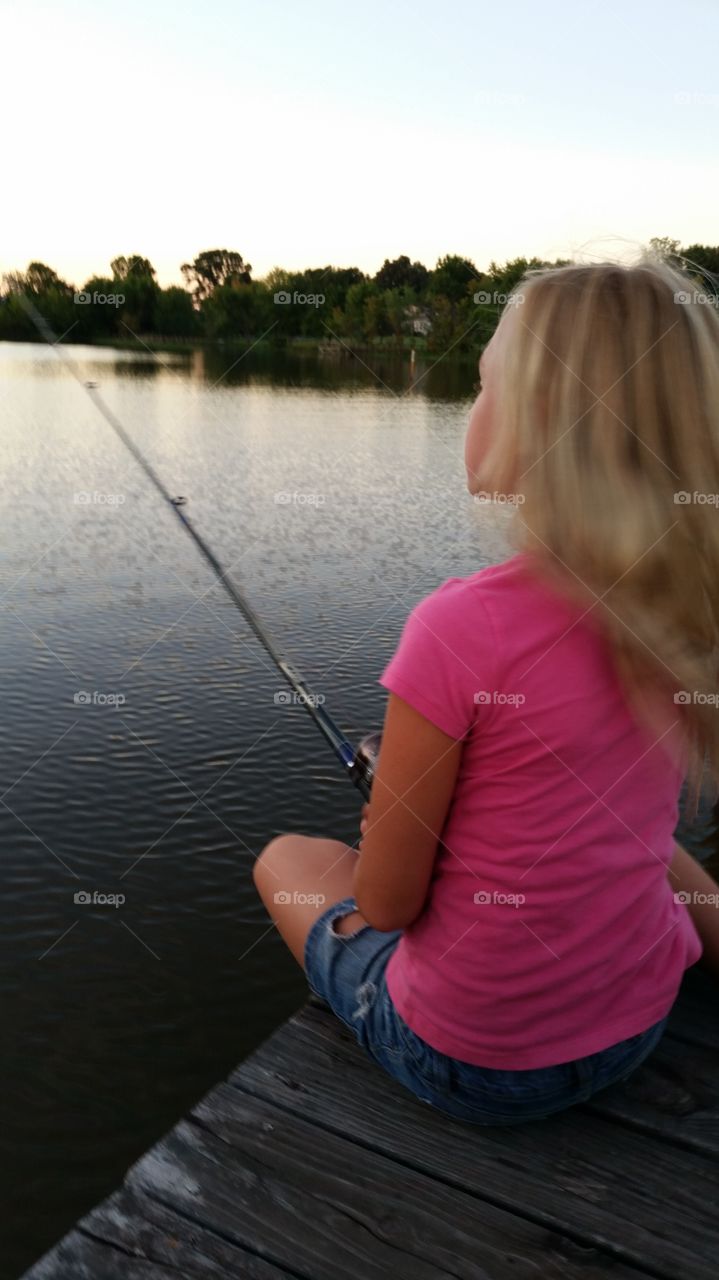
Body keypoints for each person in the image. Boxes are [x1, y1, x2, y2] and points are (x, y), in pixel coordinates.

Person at [253, 254, 719, 1124]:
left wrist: (388, 806)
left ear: (541, 425)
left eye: (480, 386)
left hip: (476, 1069)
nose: (468, 411)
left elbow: (390, 904)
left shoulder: (459, 627)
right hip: (636, 1027)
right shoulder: (686, 611)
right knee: (630, 825)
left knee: (285, 860)